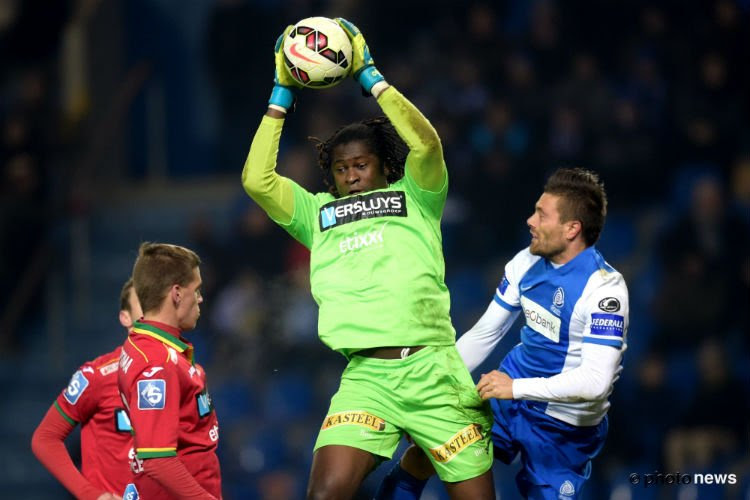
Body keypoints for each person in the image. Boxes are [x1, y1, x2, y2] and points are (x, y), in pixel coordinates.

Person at [242, 18, 495, 499]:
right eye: (341, 169)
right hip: (367, 380)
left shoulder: (418, 195)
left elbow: (428, 144)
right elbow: (258, 180)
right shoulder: (317, 214)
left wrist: (371, 76)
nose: (351, 175)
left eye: (361, 165)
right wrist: (280, 93)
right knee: (323, 494)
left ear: (382, 165)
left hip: (435, 372)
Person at [379, 168, 630, 500]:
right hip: (507, 399)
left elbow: (595, 383)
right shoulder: (525, 261)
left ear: (572, 228)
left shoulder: (604, 291)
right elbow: (486, 333)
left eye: (542, 215)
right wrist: (434, 385)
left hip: (563, 428)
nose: (530, 221)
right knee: (427, 447)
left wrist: (517, 388)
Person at [117, 242, 221, 499]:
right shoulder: (157, 364)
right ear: (176, 293)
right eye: (195, 290)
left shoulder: (145, 345)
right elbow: (157, 460)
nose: (200, 298)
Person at [31, 278, 143, 500]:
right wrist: (92, 495)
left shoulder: (186, 375)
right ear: (125, 317)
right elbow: (45, 438)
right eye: (143, 305)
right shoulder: (98, 376)